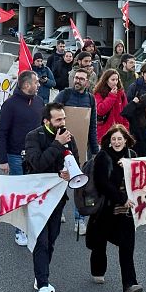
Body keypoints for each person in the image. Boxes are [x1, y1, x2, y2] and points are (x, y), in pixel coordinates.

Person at [23, 102, 75, 292]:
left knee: (51, 240)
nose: (63, 122)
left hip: (58, 198)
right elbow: (37, 163)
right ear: (47, 121)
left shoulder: (67, 136)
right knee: (41, 241)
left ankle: (41, 276)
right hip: (37, 198)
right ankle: (43, 287)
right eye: (58, 119)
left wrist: (69, 171)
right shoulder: (33, 137)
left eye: (64, 118)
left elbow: (76, 161)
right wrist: (57, 145)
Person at [86, 124, 143, 292]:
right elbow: (102, 183)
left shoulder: (132, 156)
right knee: (99, 243)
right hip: (106, 209)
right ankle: (97, 270)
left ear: (126, 140)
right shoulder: (103, 157)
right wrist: (121, 198)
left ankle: (129, 284)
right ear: (109, 141)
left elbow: (139, 179)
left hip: (126, 211)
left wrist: (128, 167)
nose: (117, 142)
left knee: (127, 247)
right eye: (114, 139)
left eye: (120, 139)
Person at [0, 71, 44, 246]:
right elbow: (1, 133)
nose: (38, 84)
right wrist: (3, 159)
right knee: (20, 195)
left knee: (34, 193)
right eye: (36, 82)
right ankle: (19, 230)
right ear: (26, 85)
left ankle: (31, 225)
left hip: (36, 156)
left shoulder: (39, 102)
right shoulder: (10, 105)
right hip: (15, 156)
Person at [54, 68, 100, 235]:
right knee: (60, 182)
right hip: (62, 147)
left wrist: (95, 149)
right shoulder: (64, 95)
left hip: (81, 148)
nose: (78, 81)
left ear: (87, 82)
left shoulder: (90, 99)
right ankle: (57, 211)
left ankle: (79, 219)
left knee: (81, 185)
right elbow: (51, 117)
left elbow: (92, 126)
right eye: (76, 78)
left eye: (81, 79)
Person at [93, 69, 130, 144]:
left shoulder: (121, 93)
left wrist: (125, 129)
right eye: (113, 80)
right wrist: (112, 96)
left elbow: (126, 113)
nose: (115, 82)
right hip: (104, 132)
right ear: (106, 80)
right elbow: (100, 110)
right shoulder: (99, 93)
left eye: (117, 80)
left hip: (118, 131)